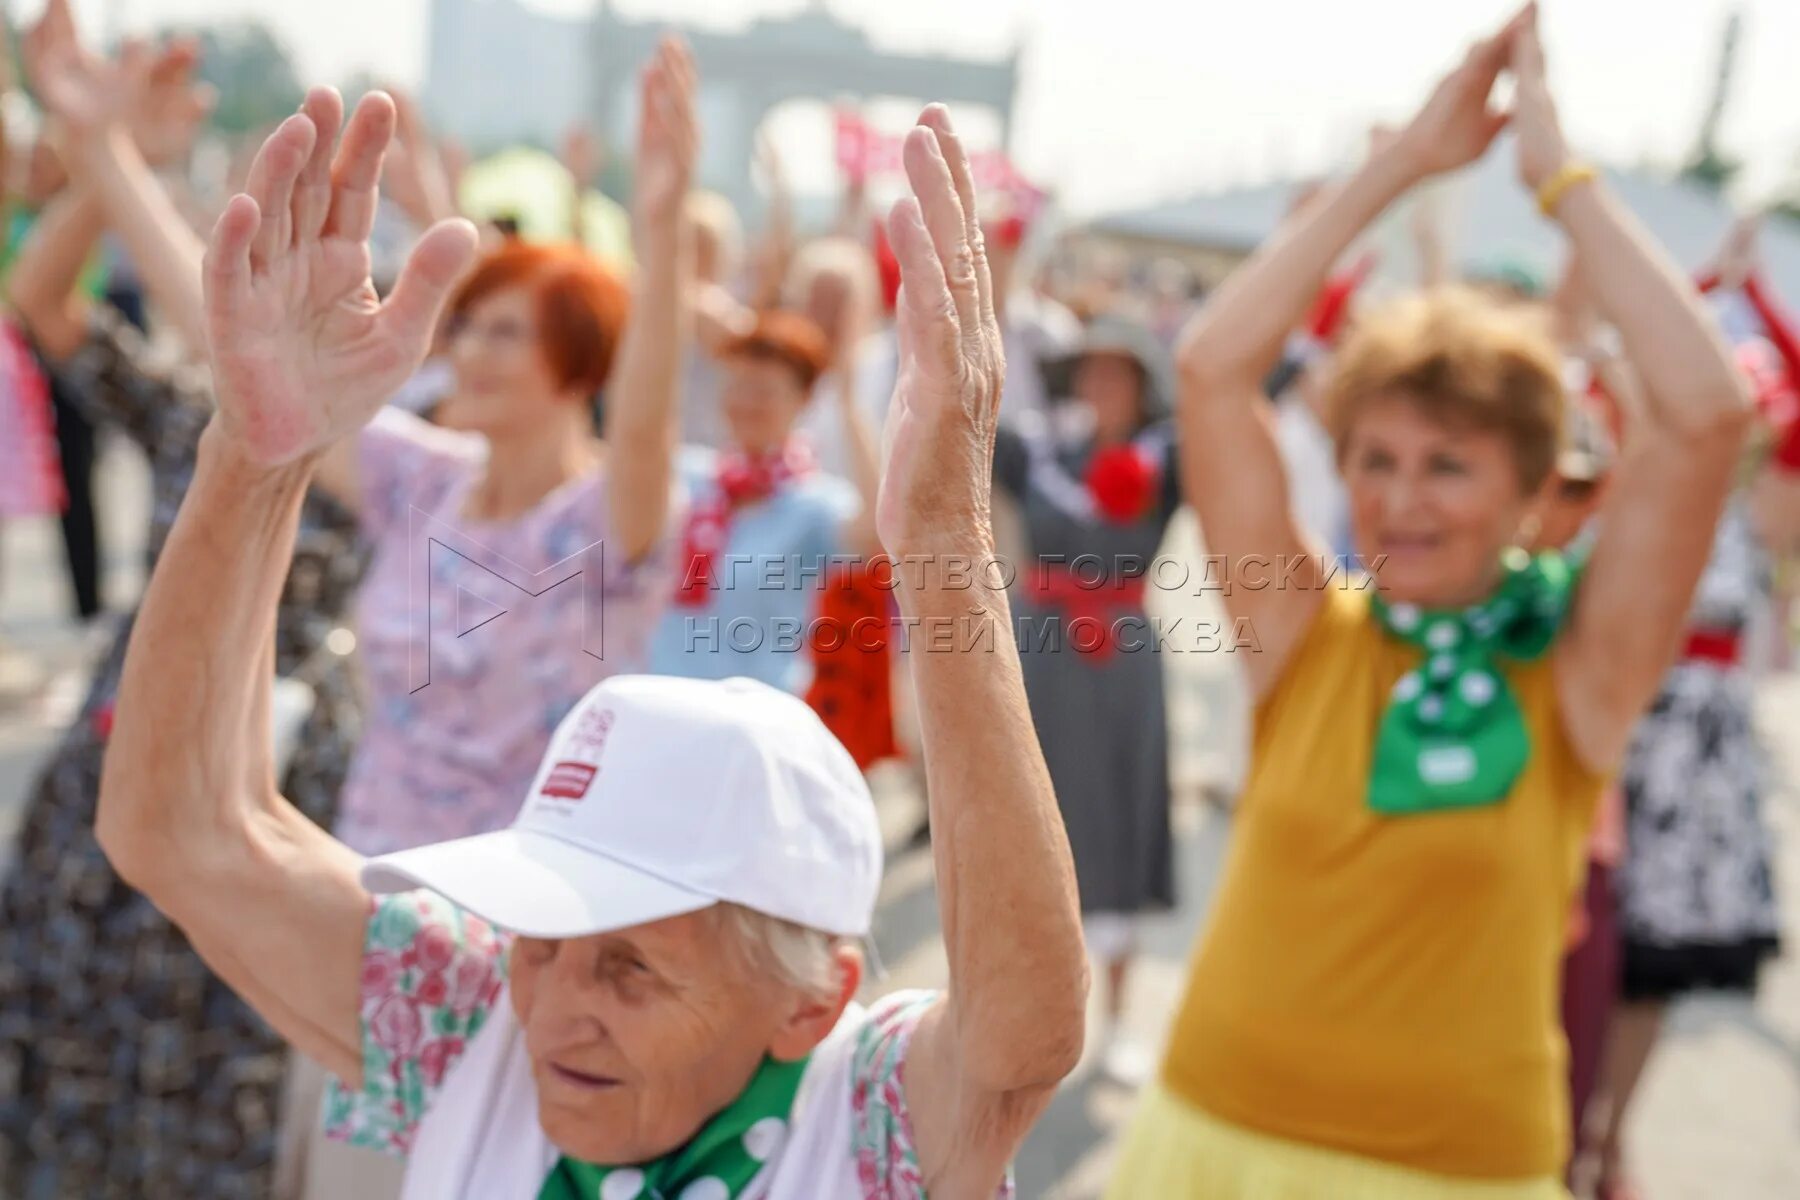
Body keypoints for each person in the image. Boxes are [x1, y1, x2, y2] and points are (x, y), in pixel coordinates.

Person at [94, 92, 1087, 1199]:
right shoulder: (469, 1028)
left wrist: (947, 544)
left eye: (629, 967)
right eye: (535, 940)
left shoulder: (862, 1124)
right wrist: (252, 454)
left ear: (811, 1003)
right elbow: (177, 831)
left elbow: (1019, 1044)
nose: (555, 1013)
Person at [1107, 8, 1754, 1196]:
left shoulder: (1581, 666)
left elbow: (1708, 415)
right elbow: (1211, 366)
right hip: (1210, 1138)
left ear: (1528, 491)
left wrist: (1557, 175)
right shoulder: (1306, 629)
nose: (1400, 500)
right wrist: (1403, 161)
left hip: (1457, 1167)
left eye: (1447, 465)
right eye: (1376, 459)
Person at [0, 12, 364, 1196]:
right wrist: (111, 168)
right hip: (110, 773)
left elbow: (270, 383)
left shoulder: (414, 473)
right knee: (58, 1070)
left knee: (208, 1098)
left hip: (258, 805)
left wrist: (115, 161)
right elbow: (43, 301)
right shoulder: (188, 418)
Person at [1584, 217, 1800, 1200]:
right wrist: (1712, 279)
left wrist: (1756, 299)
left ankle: (1611, 1139)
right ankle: (1560, 1129)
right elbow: (1631, 343)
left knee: (1656, 966)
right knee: (1578, 942)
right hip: (1622, 722)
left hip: (1700, 752)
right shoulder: (1635, 461)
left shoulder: (1767, 504)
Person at [994, 311, 1182, 1086]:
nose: (1103, 387)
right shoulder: (1040, 454)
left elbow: (1240, 391)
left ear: (1143, 387)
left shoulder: (1168, 459)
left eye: (1121, 373)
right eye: (1092, 371)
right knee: (1034, 819)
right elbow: (970, 397)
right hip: (1042, 650)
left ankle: (1118, 1020)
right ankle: (1033, 1013)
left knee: (1119, 816)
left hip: (1120, 655)